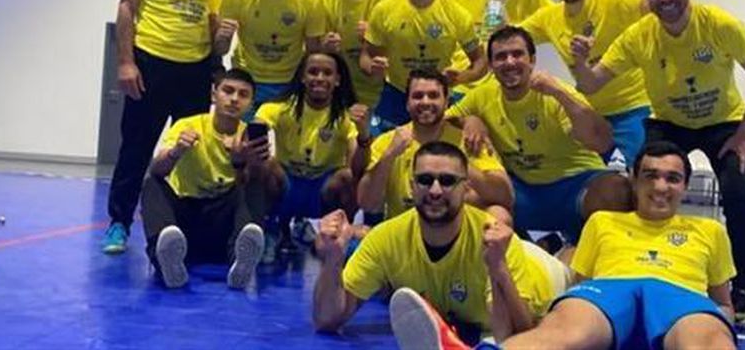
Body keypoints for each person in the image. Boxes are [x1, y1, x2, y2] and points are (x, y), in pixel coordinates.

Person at [411, 143, 745, 350]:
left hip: (680, 297)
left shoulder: (709, 232)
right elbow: (578, 284)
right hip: (609, 293)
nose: (660, 186)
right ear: (634, 179)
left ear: (684, 185)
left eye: (672, 178)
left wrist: (716, 323)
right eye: (650, 175)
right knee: (563, 335)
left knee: (704, 342)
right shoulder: (603, 221)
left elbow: (724, 303)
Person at [572, 0, 745, 330]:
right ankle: (634, 266)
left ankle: (743, 287)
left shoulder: (720, 24)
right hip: (669, 124)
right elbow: (592, 83)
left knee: (738, 192)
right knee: (638, 186)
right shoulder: (639, 35)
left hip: (723, 124)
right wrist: (581, 61)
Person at [313, 141, 566, 345]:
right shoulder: (385, 238)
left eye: (447, 181)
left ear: (465, 188)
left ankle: (561, 249)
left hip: (545, 277)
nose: (435, 190)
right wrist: (332, 260)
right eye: (425, 180)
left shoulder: (495, 241)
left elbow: (522, 337)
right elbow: (327, 320)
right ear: (412, 187)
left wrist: (498, 268)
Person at [102, 0, 221, 255]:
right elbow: (126, 9)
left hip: (194, 72)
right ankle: (119, 223)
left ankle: (185, 225)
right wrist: (125, 62)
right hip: (151, 65)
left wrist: (216, 68)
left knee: (190, 153)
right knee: (135, 149)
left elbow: (211, 23)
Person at [446, 27, 632, 244]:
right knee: (462, 196)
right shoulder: (482, 96)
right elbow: (439, 122)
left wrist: (559, 93)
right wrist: (469, 120)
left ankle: (578, 243)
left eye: (517, 54)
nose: (509, 62)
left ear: (532, 60)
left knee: (618, 191)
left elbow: (601, 141)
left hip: (576, 184)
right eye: (501, 57)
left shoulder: (555, 91)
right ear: (491, 66)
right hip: (524, 193)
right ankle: (532, 246)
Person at [520, 0, 650, 170]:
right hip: (589, 115)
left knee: (623, 178)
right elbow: (510, 40)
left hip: (632, 111)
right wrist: (495, 2)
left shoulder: (616, 0)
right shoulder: (548, 17)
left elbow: (661, 2)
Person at [139, 68, 269, 289]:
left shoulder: (251, 136)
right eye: (228, 91)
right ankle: (165, 260)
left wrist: (240, 162)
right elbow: (157, 169)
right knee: (151, 183)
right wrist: (177, 151)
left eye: (243, 94)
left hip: (223, 221)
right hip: (185, 218)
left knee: (256, 185)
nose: (234, 99)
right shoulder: (187, 125)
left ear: (250, 104)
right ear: (214, 95)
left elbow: (251, 188)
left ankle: (240, 261)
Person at [254, 51, 370, 263]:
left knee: (349, 177)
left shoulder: (347, 117)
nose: (320, 78)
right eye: (313, 72)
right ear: (302, 77)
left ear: (337, 80)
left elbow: (358, 169)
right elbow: (258, 126)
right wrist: (252, 135)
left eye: (327, 73)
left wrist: (364, 135)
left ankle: (337, 237)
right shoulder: (278, 108)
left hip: (322, 192)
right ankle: (272, 230)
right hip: (288, 186)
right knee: (264, 164)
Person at [361, 0, 487, 134]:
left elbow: (480, 61)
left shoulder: (457, 14)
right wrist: (372, 67)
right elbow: (366, 56)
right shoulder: (384, 10)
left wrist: (462, 77)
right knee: (380, 149)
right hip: (395, 95)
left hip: (437, 97)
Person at [359, 69, 513, 223]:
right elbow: (367, 204)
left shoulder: (469, 138)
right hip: (406, 229)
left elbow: (505, 197)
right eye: (418, 96)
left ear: (446, 103)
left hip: (455, 228)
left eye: (433, 95)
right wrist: (389, 155)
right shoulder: (388, 142)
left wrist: (459, 164)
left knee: (499, 215)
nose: (425, 102)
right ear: (407, 103)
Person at [215, 0, 327, 117]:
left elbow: (313, 55)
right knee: (242, 136)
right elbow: (220, 50)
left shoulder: (311, 1)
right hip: (246, 82)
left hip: (288, 85)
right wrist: (222, 37)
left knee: (288, 137)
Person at [322, 0, 403, 112]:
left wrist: (378, 36)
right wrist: (325, 48)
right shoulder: (327, 1)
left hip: (390, 89)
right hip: (346, 91)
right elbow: (319, 54)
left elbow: (411, 41)